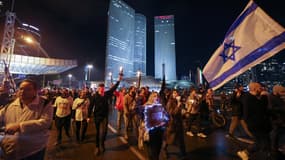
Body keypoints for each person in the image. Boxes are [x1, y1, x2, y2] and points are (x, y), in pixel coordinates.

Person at [0, 79, 53, 159]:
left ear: (35, 91)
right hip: (10, 149)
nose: (22, 91)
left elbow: (45, 122)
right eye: (21, 89)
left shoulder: (45, 104)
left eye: (28, 89)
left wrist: (19, 126)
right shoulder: (10, 104)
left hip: (34, 150)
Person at [237, 82, 271, 160]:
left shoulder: (250, 97)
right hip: (254, 124)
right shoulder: (249, 98)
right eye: (260, 87)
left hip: (257, 123)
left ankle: (269, 154)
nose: (261, 89)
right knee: (260, 142)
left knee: (264, 140)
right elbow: (261, 108)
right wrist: (264, 96)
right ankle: (245, 152)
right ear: (255, 88)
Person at [91, 74, 122, 156]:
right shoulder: (94, 96)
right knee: (97, 132)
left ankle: (102, 143)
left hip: (104, 116)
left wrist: (119, 80)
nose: (101, 89)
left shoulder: (107, 94)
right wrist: (87, 116)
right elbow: (91, 106)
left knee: (104, 132)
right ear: (98, 88)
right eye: (100, 88)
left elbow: (114, 88)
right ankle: (97, 146)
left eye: (103, 88)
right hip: (97, 116)